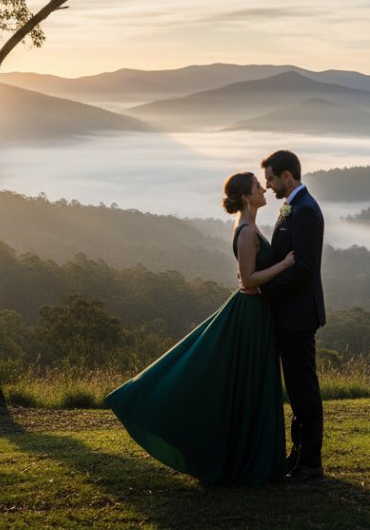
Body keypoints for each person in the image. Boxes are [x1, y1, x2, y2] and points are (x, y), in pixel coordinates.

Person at [105, 172, 294, 486]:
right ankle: (249, 460)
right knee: (248, 382)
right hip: (250, 314)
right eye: (258, 186)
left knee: (250, 384)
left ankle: (255, 457)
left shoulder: (248, 226)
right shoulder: (246, 231)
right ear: (247, 197)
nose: (264, 189)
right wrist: (285, 265)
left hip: (256, 312)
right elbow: (248, 280)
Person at [241, 149, 326, 483]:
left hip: (298, 315)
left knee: (304, 389)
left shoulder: (304, 211)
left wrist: (264, 290)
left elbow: (304, 269)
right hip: (289, 314)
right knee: (296, 387)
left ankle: (311, 462)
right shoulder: (294, 207)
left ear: (287, 176)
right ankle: (298, 453)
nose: (269, 186)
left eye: (271, 179)